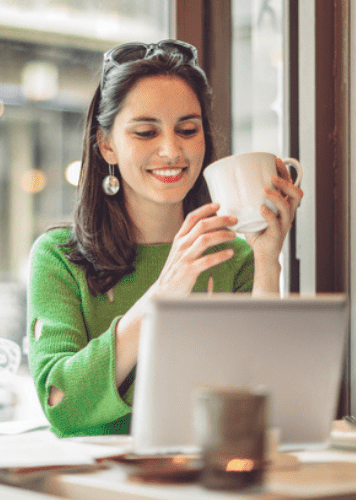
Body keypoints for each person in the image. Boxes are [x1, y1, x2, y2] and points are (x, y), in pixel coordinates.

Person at [26, 40, 303, 437]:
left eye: (188, 130)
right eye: (145, 132)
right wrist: (162, 294)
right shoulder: (57, 257)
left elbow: (265, 401)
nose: (172, 150)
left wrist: (267, 261)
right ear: (107, 145)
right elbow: (61, 403)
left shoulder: (233, 256)